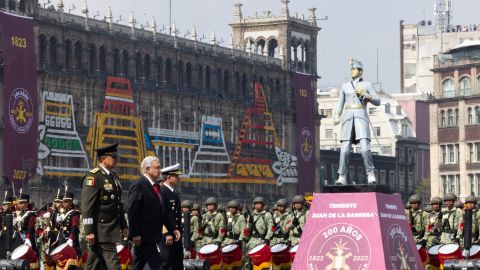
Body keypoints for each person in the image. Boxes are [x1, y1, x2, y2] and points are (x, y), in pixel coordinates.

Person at [81, 143, 128, 270]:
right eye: (113, 157)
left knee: (93, 263)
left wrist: (123, 225)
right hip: (101, 229)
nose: (116, 159)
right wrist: (89, 231)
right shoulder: (94, 177)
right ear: (103, 159)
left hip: (111, 228)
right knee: (114, 265)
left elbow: (117, 205)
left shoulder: (114, 177)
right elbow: (87, 207)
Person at [334, 59, 381, 185]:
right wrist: (337, 115)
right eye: (351, 69)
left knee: (365, 148)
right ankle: (342, 176)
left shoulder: (367, 84)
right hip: (348, 117)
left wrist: (365, 95)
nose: (352, 71)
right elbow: (340, 103)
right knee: (344, 149)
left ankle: (371, 175)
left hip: (361, 116)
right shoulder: (344, 86)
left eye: (354, 69)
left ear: (361, 71)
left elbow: (378, 101)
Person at [128, 156, 179, 270]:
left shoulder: (156, 186)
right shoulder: (139, 184)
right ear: (147, 169)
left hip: (152, 235)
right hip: (143, 235)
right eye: (157, 167)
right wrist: (135, 233)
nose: (160, 170)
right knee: (158, 265)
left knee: (138, 264)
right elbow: (132, 211)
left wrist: (174, 228)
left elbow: (162, 212)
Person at [160, 163, 184, 270]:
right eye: (176, 176)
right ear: (169, 177)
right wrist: (166, 233)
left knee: (177, 263)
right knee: (166, 262)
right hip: (168, 235)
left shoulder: (173, 193)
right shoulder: (162, 192)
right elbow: (160, 215)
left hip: (176, 234)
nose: (178, 179)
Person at [13, 193, 39, 269]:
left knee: (28, 258)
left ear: (27, 203)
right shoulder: (18, 214)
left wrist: (27, 238)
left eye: (22, 203)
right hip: (18, 238)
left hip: (27, 238)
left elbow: (31, 227)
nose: (20, 205)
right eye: (19, 203)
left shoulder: (31, 214)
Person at [0, 194, 14, 259]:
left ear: (11, 205)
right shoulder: (2, 213)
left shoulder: (13, 213)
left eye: (6, 204)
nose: (4, 206)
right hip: (2, 235)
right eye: (4, 204)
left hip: (10, 237)